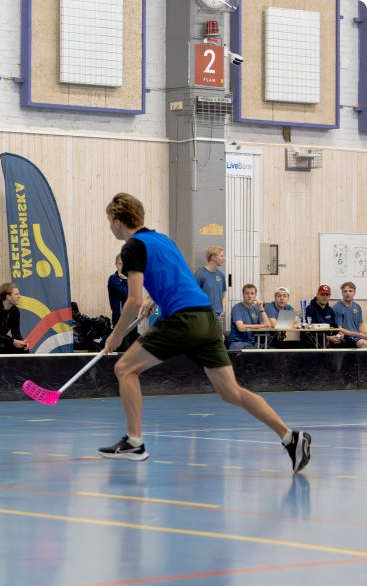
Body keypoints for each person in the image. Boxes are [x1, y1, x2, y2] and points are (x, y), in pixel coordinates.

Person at [100, 193, 310, 472]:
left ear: (117, 222)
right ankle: (290, 438)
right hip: (207, 318)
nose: (110, 227)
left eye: (109, 222)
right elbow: (176, 276)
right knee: (231, 392)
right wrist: (156, 299)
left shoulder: (131, 247)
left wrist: (115, 335)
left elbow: (133, 299)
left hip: (183, 320)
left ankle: (134, 442)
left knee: (125, 369)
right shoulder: (162, 239)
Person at [226, 284, 270, 350]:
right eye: (247, 293)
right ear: (243, 294)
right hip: (238, 343)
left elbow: (268, 325)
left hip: (252, 343)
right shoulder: (237, 308)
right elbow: (241, 328)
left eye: (252, 293)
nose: (249, 296)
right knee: (257, 353)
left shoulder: (256, 309)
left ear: (255, 295)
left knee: (273, 351)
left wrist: (261, 308)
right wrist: (261, 325)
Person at [194, 245, 228, 323]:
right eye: (221, 256)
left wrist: (223, 310)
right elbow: (194, 295)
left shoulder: (221, 275)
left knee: (219, 335)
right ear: (213, 257)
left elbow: (224, 295)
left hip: (218, 316)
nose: (224, 258)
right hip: (204, 316)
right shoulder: (200, 274)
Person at [331, 281, 367, 349]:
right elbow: (339, 329)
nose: (348, 293)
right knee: (364, 344)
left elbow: (360, 325)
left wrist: (364, 335)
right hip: (345, 337)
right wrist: (359, 335)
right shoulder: (337, 307)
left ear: (354, 292)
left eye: (350, 291)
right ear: (342, 292)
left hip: (357, 337)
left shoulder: (357, 306)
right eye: (345, 291)